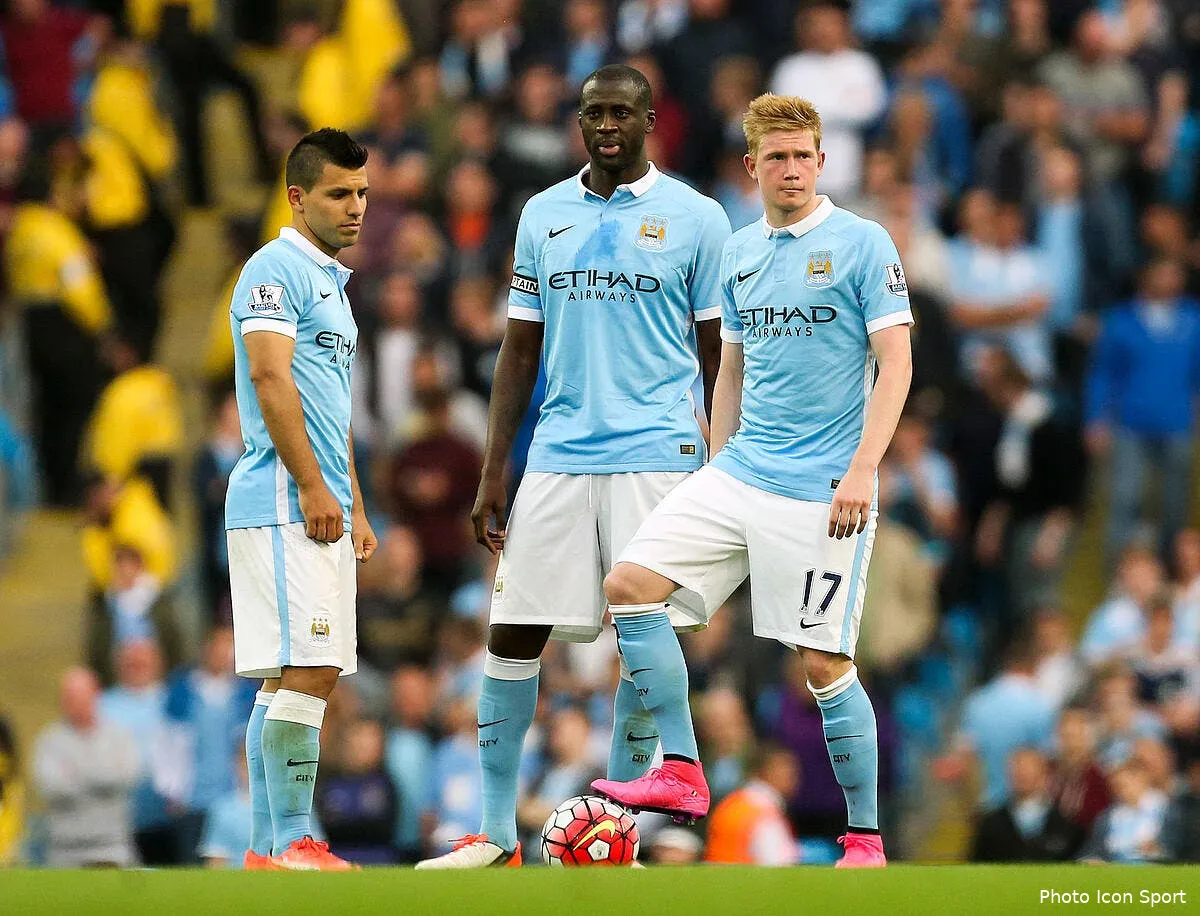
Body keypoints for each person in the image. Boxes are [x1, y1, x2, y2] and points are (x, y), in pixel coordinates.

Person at [415, 64, 730, 869]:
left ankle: (618, 822)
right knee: (512, 627)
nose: (607, 125)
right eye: (594, 112)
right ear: (579, 121)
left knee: (639, 629)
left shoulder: (697, 218)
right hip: (558, 449)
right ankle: (493, 833)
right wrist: (496, 471)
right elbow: (520, 348)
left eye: (623, 111)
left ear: (652, 119)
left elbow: (717, 354)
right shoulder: (541, 214)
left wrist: (727, 461)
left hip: (659, 449)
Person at [590, 93, 914, 869]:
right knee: (629, 585)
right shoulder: (737, 252)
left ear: (823, 162)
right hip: (739, 472)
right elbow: (730, 369)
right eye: (777, 157)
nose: (791, 168)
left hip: (823, 489)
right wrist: (713, 467)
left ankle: (864, 838)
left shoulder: (863, 244)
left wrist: (864, 469)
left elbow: (896, 363)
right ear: (752, 167)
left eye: (803, 155)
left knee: (824, 665)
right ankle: (681, 769)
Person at [225, 128, 378, 872]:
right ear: (297, 197)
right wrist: (316, 487)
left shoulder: (330, 286)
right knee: (312, 671)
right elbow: (269, 378)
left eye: (362, 195)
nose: (355, 208)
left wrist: (355, 502)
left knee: (283, 679)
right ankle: (292, 841)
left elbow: (331, 405)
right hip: (285, 499)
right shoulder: (273, 269)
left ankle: (265, 851)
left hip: (315, 502)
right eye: (339, 194)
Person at [33, 668, 140, 867]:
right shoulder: (49, 740)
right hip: (63, 851)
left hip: (111, 849)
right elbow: (53, 788)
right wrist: (103, 771)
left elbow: (126, 777)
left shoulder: (119, 736)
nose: (75, 703)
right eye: (69, 697)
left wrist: (76, 771)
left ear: (96, 694)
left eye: (81, 696)